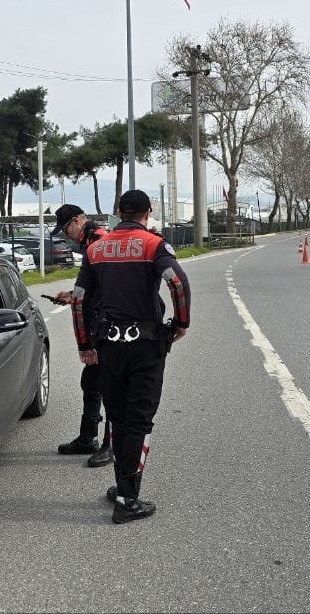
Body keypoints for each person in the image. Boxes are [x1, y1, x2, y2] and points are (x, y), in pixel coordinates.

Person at [72, 190, 191, 524]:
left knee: (119, 417)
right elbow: (177, 283)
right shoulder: (154, 245)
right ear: (148, 212)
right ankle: (128, 498)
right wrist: (181, 323)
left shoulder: (95, 250)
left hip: (108, 346)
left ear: (118, 212)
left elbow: (79, 300)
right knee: (140, 419)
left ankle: (121, 485)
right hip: (145, 347)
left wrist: (85, 345)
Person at [49, 203, 112, 468]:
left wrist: (89, 342)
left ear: (76, 221)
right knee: (92, 382)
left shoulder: (98, 244)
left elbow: (102, 293)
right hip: (99, 321)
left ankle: (109, 444)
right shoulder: (91, 242)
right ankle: (88, 437)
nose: (65, 237)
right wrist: (71, 296)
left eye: (65, 231)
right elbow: (90, 289)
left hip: (106, 325)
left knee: (108, 386)